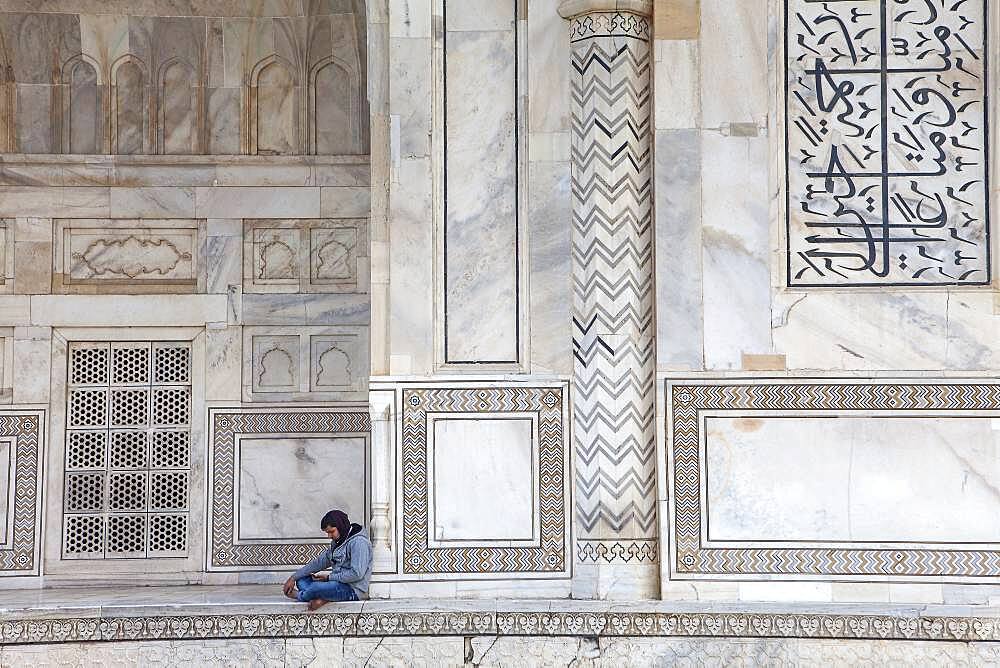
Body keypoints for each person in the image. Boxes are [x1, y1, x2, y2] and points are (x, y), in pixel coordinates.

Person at [282, 509, 373, 610]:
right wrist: (293, 578)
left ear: (341, 526)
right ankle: (325, 597)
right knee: (301, 580)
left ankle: (300, 596)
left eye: (331, 532)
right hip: (335, 585)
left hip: (352, 590)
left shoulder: (359, 542)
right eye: (327, 532)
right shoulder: (338, 541)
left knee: (316, 587)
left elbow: (357, 574)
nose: (329, 536)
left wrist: (328, 578)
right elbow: (319, 562)